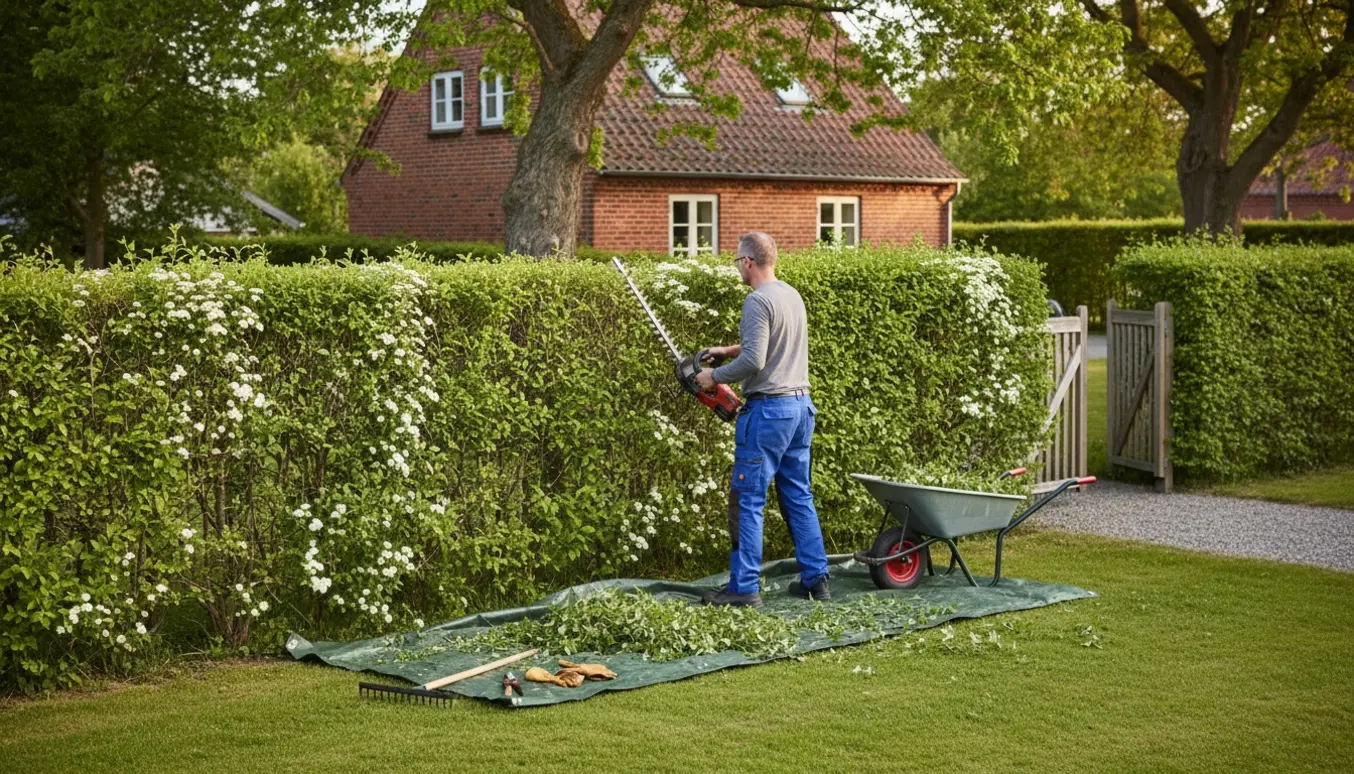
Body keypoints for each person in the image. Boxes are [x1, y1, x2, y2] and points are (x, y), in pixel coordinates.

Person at [694, 232, 830, 607]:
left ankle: (744, 588)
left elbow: (754, 361)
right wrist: (725, 350)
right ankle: (816, 581)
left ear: (748, 262)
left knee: (748, 499)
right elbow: (770, 343)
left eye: (739, 261)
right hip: (801, 409)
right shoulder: (790, 294)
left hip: (769, 412)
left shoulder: (756, 301)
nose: (738, 267)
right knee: (799, 496)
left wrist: (713, 377)